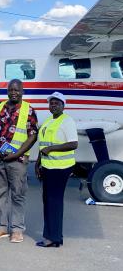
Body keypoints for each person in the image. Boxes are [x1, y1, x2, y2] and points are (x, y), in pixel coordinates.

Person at [0, 79, 38, 243]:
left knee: (18, 195)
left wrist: (17, 154)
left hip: (18, 160)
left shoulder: (28, 110)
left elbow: (33, 135)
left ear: (22, 91)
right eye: (11, 90)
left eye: (17, 90)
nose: (13, 92)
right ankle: (1, 226)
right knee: (0, 194)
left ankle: (16, 229)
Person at [35, 92, 78, 247]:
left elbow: (73, 143)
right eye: (51, 103)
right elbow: (43, 145)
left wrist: (52, 149)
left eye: (57, 103)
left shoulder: (67, 121)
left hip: (60, 168)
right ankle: (54, 236)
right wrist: (38, 163)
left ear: (63, 106)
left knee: (54, 202)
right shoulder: (48, 121)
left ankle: (52, 238)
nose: (53, 105)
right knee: (48, 201)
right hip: (48, 167)